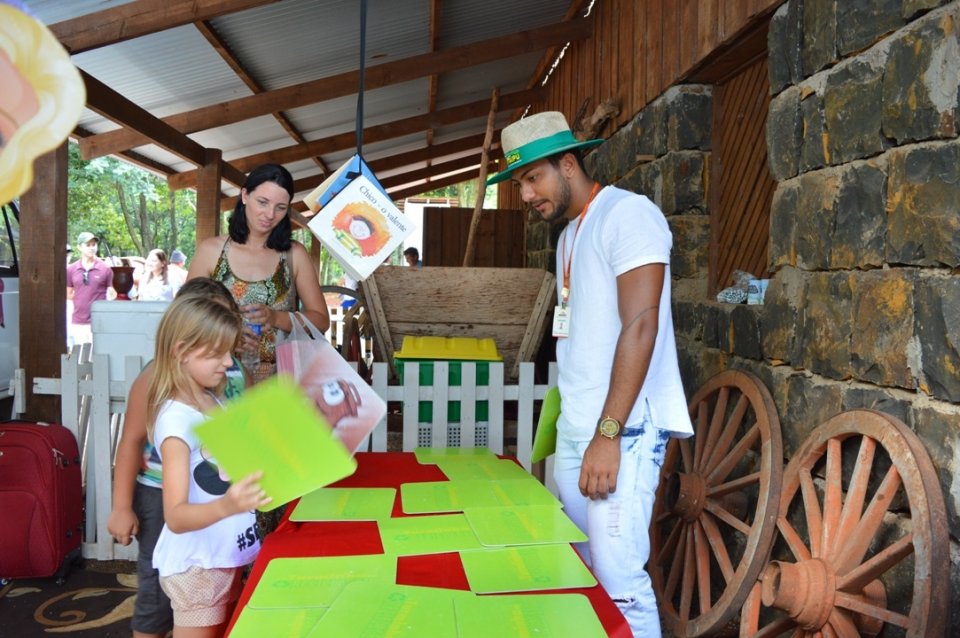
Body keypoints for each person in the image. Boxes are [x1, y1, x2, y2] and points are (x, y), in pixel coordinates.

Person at [488, 112, 693, 637]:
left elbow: (642, 325)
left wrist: (609, 435)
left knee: (620, 582)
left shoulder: (629, 214)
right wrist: (571, 432)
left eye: (534, 178)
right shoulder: (567, 237)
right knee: (580, 573)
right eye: (518, 183)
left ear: (569, 164)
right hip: (581, 431)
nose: (527, 194)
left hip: (622, 430)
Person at [107, 278, 250, 638]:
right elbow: (131, 442)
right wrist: (121, 506)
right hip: (166, 499)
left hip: (213, 510)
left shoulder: (217, 387)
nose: (226, 359)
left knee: (215, 611)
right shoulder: (164, 394)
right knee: (157, 599)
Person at [147, 293, 270, 637]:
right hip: (198, 566)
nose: (228, 362)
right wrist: (230, 504)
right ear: (182, 351)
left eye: (229, 351)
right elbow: (176, 516)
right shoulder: (175, 423)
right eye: (216, 353)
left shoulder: (210, 398)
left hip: (222, 555)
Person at [188, 163, 330, 381]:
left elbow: (321, 321)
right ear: (245, 195)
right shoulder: (211, 251)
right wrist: (228, 335)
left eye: (281, 207)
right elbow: (186, 315)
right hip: (220, 380)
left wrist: (276, 317)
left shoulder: (294, 254)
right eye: (262, 202)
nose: (270, 214)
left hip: (282, 383)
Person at [66, 231, 113, 347]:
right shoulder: (71, 269)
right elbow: (68, 293)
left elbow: (112, 294)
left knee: (97, 356)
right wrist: (81, 299)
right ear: (79, 247)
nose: (92, 248)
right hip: (78, 321)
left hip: (98, 321)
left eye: (94, 245)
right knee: (80, 358)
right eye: (88, 245)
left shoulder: (105, 269)